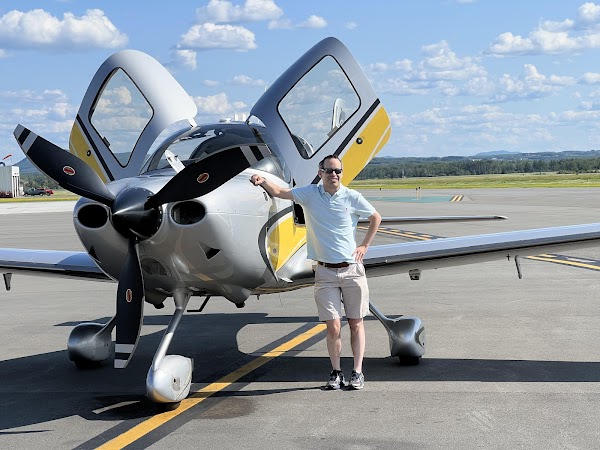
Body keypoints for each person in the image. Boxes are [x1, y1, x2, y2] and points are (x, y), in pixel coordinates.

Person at [250, 155, 381, 390]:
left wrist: (364, 246)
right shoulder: (310, 194)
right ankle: (336, 372)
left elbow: (375, 217)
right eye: (329, 170)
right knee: (333, 326)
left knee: (356, 323)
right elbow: (280, 192)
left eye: (338, 171)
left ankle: (358, 372)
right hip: (325, 272)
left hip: (352, 270)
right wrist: (262, 181)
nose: (334, 174)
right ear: (320, 173)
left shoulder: (352, 197)